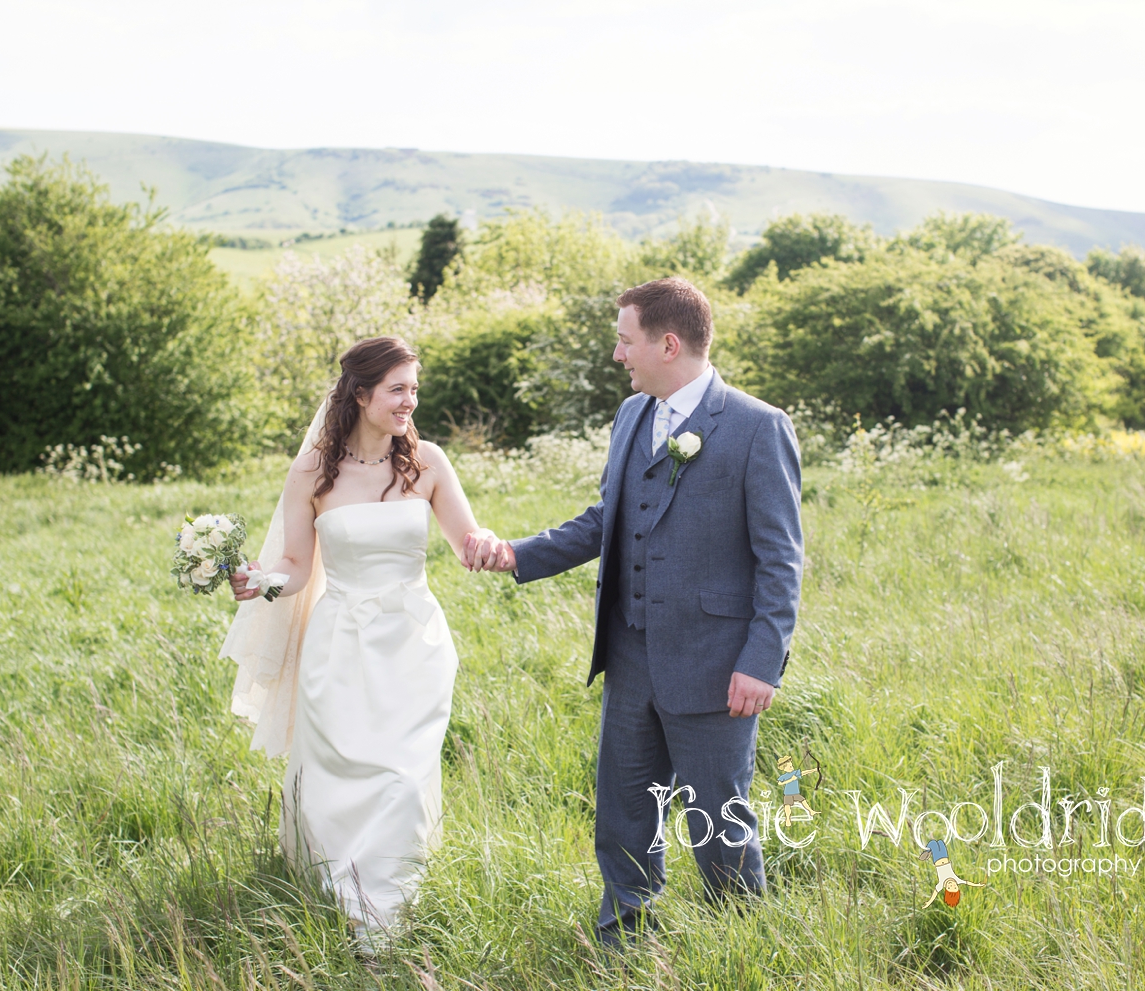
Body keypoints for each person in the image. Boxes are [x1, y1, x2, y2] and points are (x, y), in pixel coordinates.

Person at [468, 277, 804, 945]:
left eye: (625, 341)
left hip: (715, 665)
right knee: (623, 814)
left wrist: (761, 663)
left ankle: (740, 945)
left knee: (718, 821)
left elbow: (781, 560)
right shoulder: (631, 415)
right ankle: (623, 941)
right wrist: (516, 553)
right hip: (628, 655)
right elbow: (607, 518)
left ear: (668, 344)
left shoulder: (757, 426)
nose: (617, 354)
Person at [221, 336, 497, 939]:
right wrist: (260, 582)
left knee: (403, 775)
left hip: (413, 644)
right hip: (340, 645)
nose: (409, 401)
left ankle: (387, 908)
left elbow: (467, 541)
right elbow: (296, 567)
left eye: (414, 389)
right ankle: (336, 894)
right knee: (338, 772)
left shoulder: (428, 463)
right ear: (361, 394)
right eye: (397, 389)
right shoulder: (312, 473)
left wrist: (488, 545)